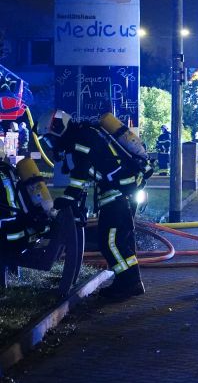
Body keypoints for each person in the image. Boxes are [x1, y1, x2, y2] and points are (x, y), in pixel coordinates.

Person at [41, 109, 150, 301]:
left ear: (58, 128)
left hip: (118, 195)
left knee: (110, 242)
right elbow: (91, 169)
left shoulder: (81, 139)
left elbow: (81, 171)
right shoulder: (85, 135)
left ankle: (128, 284)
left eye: (50, 139)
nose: (52, 144)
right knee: (121, 241)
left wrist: (70, 196)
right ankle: (128, 281)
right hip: (121, 193)